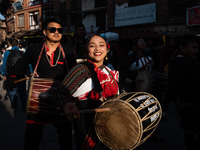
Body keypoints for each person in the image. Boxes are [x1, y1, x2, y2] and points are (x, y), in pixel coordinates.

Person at [6, 16, 77, 150]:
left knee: (65, 138)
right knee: (32, 139)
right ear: (45, 32)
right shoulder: (35, 49)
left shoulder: (67, 51)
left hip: (61, 99)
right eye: (52, 29)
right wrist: (12, 76)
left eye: (59, 30)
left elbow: (73, 74)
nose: (56, 32)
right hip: (38, 100)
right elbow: (21, 64)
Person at [58, 34, 119, 149]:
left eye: (101, 45)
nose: (97, 49)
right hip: (87, 129)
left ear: (107, 49)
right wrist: (68, 103)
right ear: (87, 50)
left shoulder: (109, 70)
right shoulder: (81, 70)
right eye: (92, 46)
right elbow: (61, 92)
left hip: (110, 128)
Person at [168, 35, 200, 150]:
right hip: (194, 105)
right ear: (183, 48)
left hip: (181, 105)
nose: (196, 51)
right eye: (194, 47)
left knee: (188, 132)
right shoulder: (192, 64)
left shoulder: (173, 63)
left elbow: (170, 86)